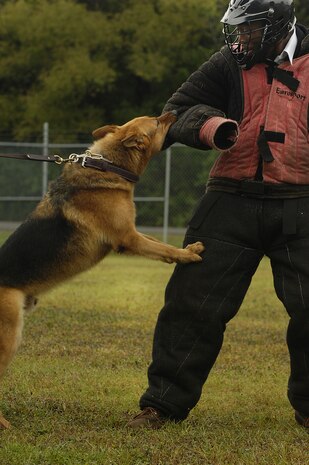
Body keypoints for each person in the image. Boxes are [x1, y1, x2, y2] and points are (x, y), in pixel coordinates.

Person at [127, 0, 309, 429]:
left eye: (248, 30)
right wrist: (211, 126)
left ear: (278, 27)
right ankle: (162, 407)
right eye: (236, 30)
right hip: (229, 201)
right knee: (192, 305)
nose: (238, 39)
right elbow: (174, 113)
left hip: (301, 204)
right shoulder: (228, 63)